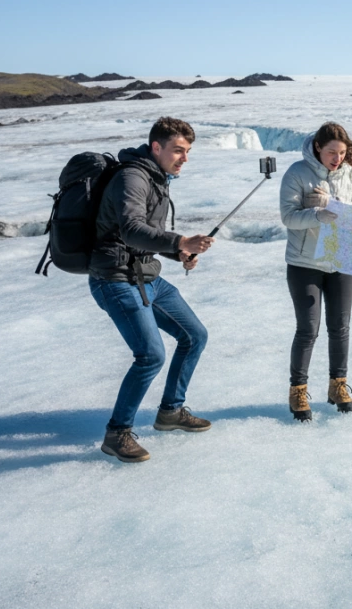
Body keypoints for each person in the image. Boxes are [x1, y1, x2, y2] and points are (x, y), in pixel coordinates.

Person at [91, 117, 214, 463]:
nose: (184, 158)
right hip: (114, 279)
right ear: (156, 147)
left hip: (145, 276)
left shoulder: (157, 178)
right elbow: (131, 229)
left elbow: (145, 237)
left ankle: (170, 412)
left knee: (194, 336)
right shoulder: (132, 177)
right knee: (150, 356)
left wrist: (179, 253)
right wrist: (180, 241)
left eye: (188, 152)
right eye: (178, 150)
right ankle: (117, 433)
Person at [279, 121, 352, 421]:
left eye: (342, 153)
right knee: (308, 329)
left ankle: (338, 386)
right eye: (332, 152)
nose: (337, 158)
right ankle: (298, 391)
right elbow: (288, 217)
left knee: (340, 327)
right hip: (304, 263)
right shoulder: (297, 173)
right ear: (317, 147)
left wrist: (336, 205)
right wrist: (318, 214)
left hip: (342, 260)